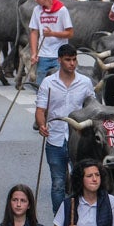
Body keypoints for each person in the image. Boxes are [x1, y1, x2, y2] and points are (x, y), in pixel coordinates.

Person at [35, 44, 97, 214]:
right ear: (59, 60)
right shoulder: (48, 83)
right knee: (58, 184)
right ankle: (60, 219)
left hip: (79, 140)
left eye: (74, 59)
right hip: (55, 139)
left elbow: (93, 107)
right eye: (68, 60)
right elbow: (40, 111)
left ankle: (79, 215)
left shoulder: (85, 83)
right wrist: (42, 125)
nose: (72, 63)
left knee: (80, 181)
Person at [28, 0, 73, 85]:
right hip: (43, 55)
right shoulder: (37, 10)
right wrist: (34, 53)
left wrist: (52, 33)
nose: (35, 0)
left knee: (59, 87)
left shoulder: (62, 10)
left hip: (60, 56)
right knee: (40, 88)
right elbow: (34, 32)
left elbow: (70, 33)